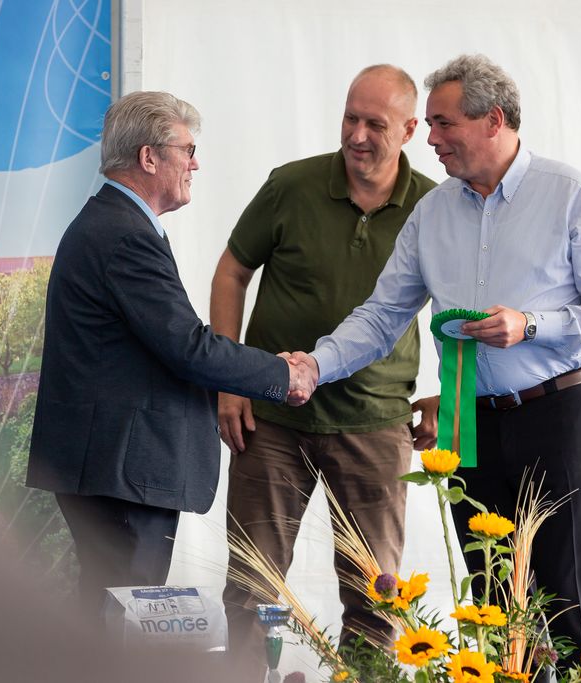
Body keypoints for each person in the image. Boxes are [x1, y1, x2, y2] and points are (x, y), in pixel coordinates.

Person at [295, 54, 581, 676]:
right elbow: (382, 314)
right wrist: (314, 366)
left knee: (570, 605)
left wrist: (530, 325)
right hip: (466, 422)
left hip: (558, 415)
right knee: (493, 611)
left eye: (443, 123)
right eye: (429, 124)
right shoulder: (431, 213)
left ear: (493, 120)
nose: (429, 138)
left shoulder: (568, 195)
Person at [26, 91, 316, 617]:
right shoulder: (124, 235)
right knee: (121, 623)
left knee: (110, 615)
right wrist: (282, 373)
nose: (195, 164)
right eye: (188, 150)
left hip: (113, 466)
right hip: (122, 470)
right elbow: (188, 347)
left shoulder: (113, 224)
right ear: (149, 157)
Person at [211, 65, 436, 677]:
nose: (357, 135)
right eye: (350, 118)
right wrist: (230, 379)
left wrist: (449, 394)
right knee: (252, 585)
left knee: (376, 598)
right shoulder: (291, 186)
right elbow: (231, 271)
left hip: (376, 423)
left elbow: (464, 305)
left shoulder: (435, 206)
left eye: (375, 124)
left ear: (410, 130)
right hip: (271, 421)